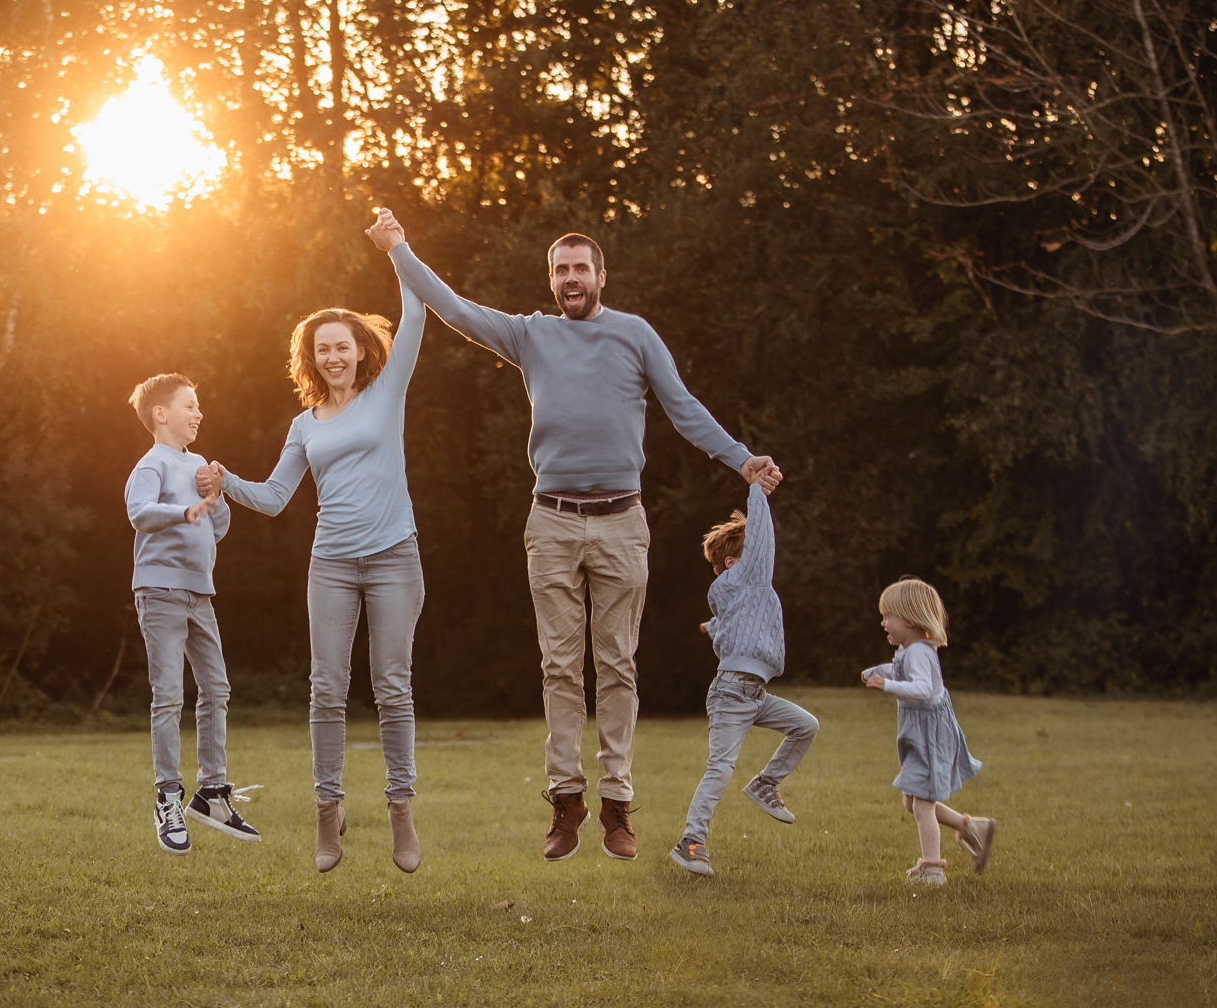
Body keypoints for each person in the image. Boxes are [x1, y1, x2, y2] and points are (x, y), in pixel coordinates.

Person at [365, 206, 782, 862]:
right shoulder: (530, 335)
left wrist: (742, 457)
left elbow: (683, 407)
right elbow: (452, 306)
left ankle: (617, 804)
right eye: (560, 270)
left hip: (621, 523)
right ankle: (567, 802)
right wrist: (398, 249)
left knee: (615, 664)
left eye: (580, 268)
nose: (570, 278)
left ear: (601, 275)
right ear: (551, 280)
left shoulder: (635, 334)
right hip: (552, 521)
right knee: (560, 665)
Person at [197, 264, 427, 875]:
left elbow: (417, 313)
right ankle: (329, 810)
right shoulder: (305, 425)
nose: (332, 357)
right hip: (330, 563)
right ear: (312, 357)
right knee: (326, 689)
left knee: (392, 686)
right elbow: (275, 497)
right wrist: (226, 483)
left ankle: (401, 809)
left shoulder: (387, 392)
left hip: (393, 558)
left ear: (359, 351)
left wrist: (398, 250)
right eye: (321, 349)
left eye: (341, 346)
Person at [123, 373, 260, 855]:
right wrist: (180, 511)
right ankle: (168, 797)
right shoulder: (150, 464)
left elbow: (216, 528)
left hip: (200, 594)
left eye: (199, 406)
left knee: (216, 688)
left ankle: (213, 794)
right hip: (159, 591)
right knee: (167, 695)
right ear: (161, 414)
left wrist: (216, 495)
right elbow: (139, 513)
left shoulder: (200, 463)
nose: (199, 413)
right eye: (190, 405)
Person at [668, 476, 820, 877]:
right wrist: (757, 489)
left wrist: (711, 628)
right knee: (720, 767)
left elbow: (731, 628)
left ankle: (765, 784)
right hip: (733, 693)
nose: (764, 556)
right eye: (753, 553)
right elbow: (763, 539)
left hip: (753, 694)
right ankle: (691, 843)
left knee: (806, 725)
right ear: (735, 562)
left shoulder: (736, 593)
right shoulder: (747, 580)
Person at [860, 577, 995, 886]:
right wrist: (879, 672)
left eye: (887, 616)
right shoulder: (910, 649)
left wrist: (888, 685)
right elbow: (901, 671)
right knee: (912, 802)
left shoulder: (921, 651)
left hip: (930, 735)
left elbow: (922, 688)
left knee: (922, 805)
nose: (883, 623)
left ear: (908, 618)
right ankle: (972, 828)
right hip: (918, 732)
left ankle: (933, 869)